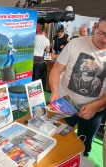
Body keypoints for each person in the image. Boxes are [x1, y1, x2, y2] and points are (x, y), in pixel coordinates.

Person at [49, 11, 106, 157]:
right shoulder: (75, 43)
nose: (105, 40)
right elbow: (56, 71)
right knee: (55, 139)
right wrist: (55, 91)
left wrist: (96, 106)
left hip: (94, 111)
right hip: (64, 103)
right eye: (102, 33)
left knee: (83, 146)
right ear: (94, 27)